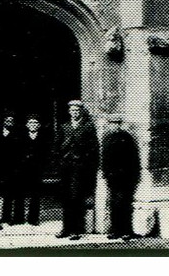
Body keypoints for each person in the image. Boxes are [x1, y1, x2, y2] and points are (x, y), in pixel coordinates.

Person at [55, 100, 100, 240]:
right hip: (66, 167)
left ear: (81, 111)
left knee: (76, 198)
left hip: (80, 168)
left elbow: (94, 148)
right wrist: (60, 162)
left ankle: (76, 229)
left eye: (77, 110)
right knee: (66, 197)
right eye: (72, 110)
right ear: (69, 112)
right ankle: (66, 228)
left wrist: (86, 163)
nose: (74, 112)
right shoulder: (64, 126)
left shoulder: (88, 127)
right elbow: (57, 146)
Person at [100, 115, 140, 240]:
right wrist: (106, 173)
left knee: (125, 203)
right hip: (113, 177)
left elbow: (134, 158)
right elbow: (104, 158)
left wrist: (135, 175)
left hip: (127, 176)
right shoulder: (107, 138)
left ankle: (127, 230)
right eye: (112, 123)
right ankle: (115, 230)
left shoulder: (127, 137)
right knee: (114, 203)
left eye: (117, 123)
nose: (114, 126)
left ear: (120, 124)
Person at [12, 115, 49, 225]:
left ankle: (33, 218)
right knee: (19, 193)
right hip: (22, 169)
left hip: (36, 169)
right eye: (31, 123)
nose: (33, 125)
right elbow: (16, 153)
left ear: (39, 125)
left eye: (35, 123)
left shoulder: (43, 137)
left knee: (35, 194)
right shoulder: (20, 137)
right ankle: (18, 218)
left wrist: (42, 165)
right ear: (27, 125)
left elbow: (46, 153)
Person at [0, 113, 21, 224]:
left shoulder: (17, 134)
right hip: (2, 169)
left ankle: (15, 218)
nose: (9, 123)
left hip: (15, 169)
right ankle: (5, 217)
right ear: (4, 122)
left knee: (15, 194)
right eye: (7, 120)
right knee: (5, 194)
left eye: (11, 121)